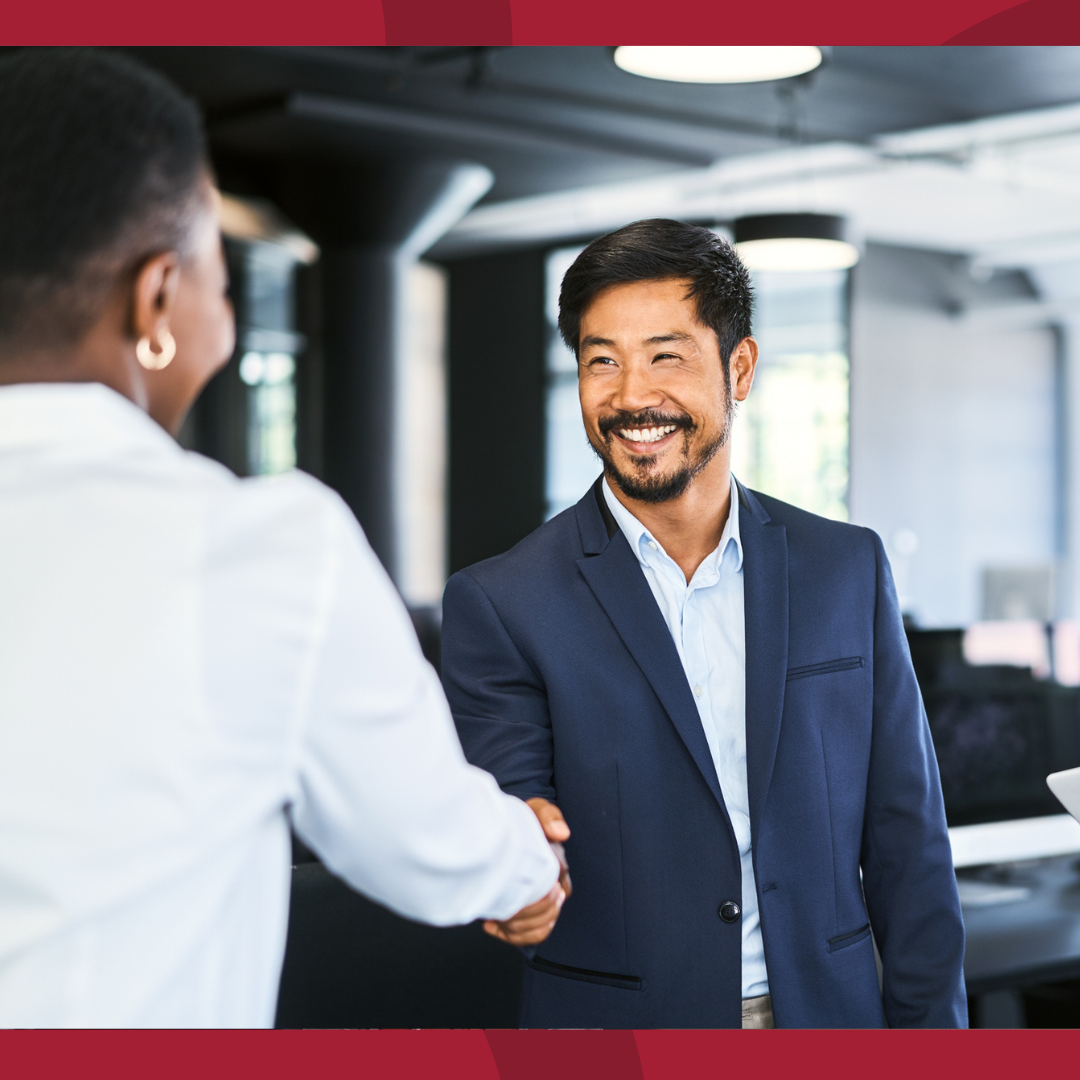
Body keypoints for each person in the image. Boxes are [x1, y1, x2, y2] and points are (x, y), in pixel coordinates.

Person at [0, 48, 565, 1028]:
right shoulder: (254, 547)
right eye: (220, 275)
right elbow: (425, 846)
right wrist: (526, 857)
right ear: (156, 302)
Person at [441, 219, 967, 1029]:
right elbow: (514, 823)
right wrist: (518, 873)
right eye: (600, 361)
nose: (630, 397)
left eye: (666, 355)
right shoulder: (503, 603)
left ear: (740, 367)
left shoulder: (845, 571)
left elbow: (909, 850)